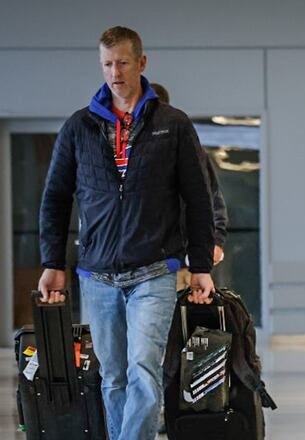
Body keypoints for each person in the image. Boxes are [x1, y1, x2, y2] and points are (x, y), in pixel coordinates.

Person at [37, 26, 216, 440]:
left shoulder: (173, 125)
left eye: (121, 62)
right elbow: (55, 198)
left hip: (153, 270)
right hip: (97, 275)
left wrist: (201, 264)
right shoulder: (79, 127)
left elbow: (198, 198)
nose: (114, 73)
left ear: (141, 63)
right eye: (106, 64)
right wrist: (52, 262)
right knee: (113, 377)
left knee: (143, 369)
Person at [149, 82, 229, 290]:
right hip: (152, 264)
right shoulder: (134, 153)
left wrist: (217, 241)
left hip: (191, 259)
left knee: (196, 317)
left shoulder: (191, 150)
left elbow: (213, 199)